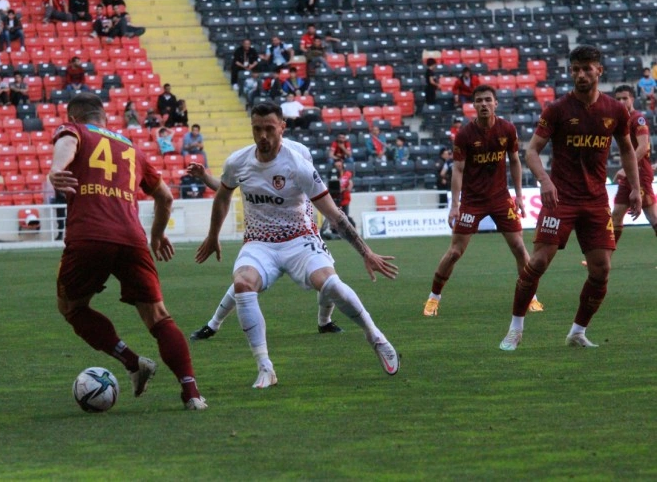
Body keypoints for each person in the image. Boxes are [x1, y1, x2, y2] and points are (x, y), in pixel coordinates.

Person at [195, 101, 399, 388]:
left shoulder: (298, 164)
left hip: (300, 239)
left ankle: (375, 336)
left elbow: (334, 215)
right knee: (242, 284)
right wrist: (213, 235)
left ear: (282, 127)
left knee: (331, 285)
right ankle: (265, 367)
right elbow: (224, 196)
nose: (263, 136)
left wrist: (366, 253)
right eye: (257, 129)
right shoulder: (237, 162)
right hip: (260, 243)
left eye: (269, 129)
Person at [47, 92, 207, 410]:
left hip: (89, 235)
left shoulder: (73, 130)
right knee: (159, 317)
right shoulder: (132, 149)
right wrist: (157, 235)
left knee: (72, 308)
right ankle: (192, 394)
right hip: (133, 238)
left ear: (74, 117)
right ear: (105, 119)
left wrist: (56, 168)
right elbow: (165, 197)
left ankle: (133, 362)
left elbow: (67, 143)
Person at [498, 45, 642, 351]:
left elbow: (628, 150)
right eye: (575, 69)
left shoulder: (615, 111)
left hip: (595, 201)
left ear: (599, 71)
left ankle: (577, 331)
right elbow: (531, 151)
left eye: (587, 68)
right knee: (537, 261)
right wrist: (545, 181)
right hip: (560, 200)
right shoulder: (558, 109)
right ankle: (515, 328)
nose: (580, 74)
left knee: (601, 269)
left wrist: (636, 188)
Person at [187, 143, 345, 341]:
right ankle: (213, 324)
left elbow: (317, 193)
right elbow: (226, 188)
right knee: (244, 283)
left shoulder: (302, 164)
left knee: (328, 279)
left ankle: (325, 322)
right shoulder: (261, 162)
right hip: (265, 238)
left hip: (301, 235)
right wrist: (204, 177)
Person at [422, 85, 544, 317]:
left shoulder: (507, 129)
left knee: (519, 247)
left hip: (500, 198)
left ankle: (531, 297)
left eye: (488, 100)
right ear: (473, 105)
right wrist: (455, 205)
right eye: (479, 101)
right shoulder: (465, 135)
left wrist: (518, 195)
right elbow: (457, 169)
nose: (484, 104)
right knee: (455, 252)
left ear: (496, 104)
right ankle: (433, 298)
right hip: (473, 200)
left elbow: (515, 161)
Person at [610, 85, 657, 241]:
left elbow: (643, 147)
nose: (621, 101)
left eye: (625, 98)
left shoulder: (638, 119)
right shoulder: (619, 120)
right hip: (630, 174)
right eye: (618, 99)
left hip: (640, 173)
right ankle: (605, 260)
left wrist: (625, 169)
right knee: (616, 215)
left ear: (632, 99)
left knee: (653, 217)